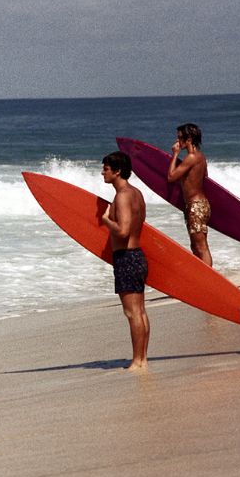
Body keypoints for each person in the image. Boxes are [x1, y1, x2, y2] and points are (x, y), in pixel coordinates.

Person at [100, 151, 150, 370]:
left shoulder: (122, 196)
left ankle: (138, 361)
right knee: (140, 311)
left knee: (132, 313)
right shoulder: (136, 193)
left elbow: (123, 231)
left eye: (106, 168)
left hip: (127, 258)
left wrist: (105, 220)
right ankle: (142, 359)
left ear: (117, 171)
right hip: (137, 256)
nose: (102, 172)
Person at [167, 123, 213, 266]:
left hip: (196, 206)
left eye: (180, 138)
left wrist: (175, 154)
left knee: (201, 247)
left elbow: (171, 177)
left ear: (189, 139)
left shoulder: (192, 157)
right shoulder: (201, 157)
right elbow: (204, 178)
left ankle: (209, 281)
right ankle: (203, 278)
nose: (177, 141)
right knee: (196, 247)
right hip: (197, 206)